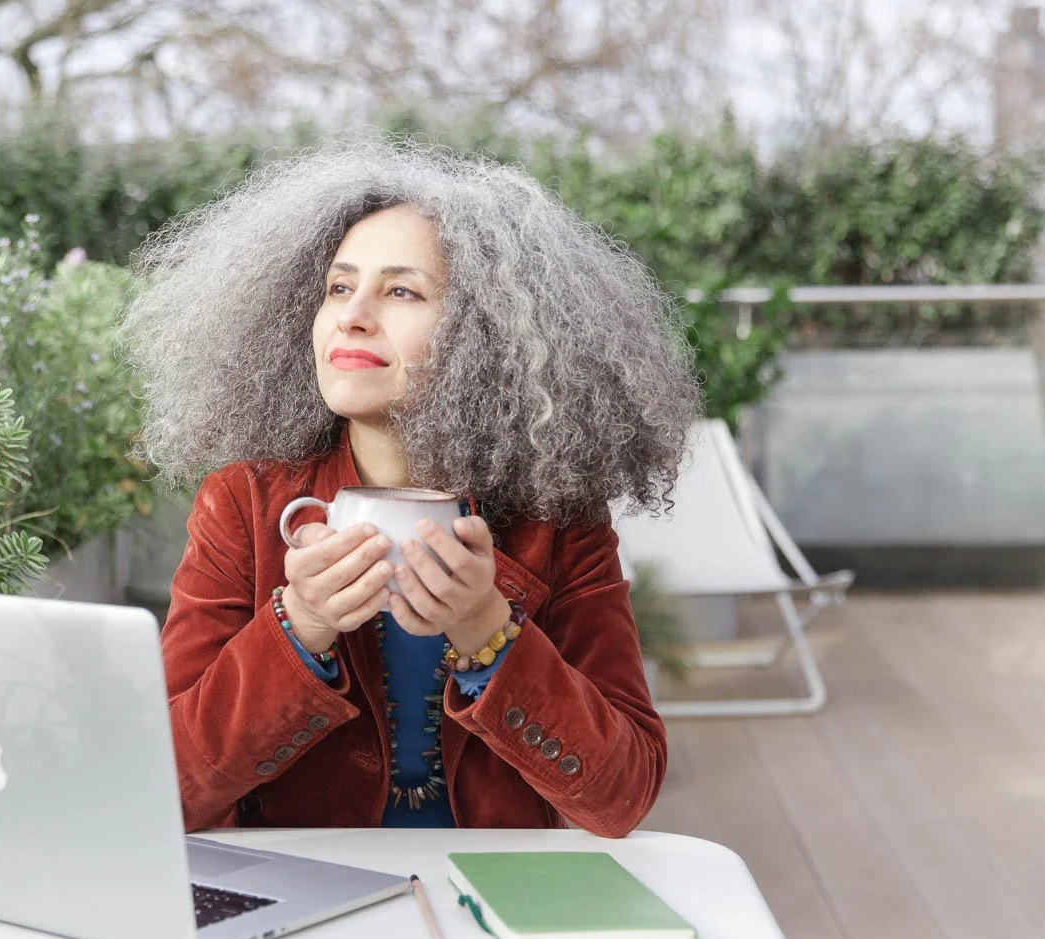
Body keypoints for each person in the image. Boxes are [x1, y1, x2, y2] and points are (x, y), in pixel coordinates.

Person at [121, 137, 700, 835]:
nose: (352, 315)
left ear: (483, 335)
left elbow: (621, 797)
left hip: (493, 898)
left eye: (402, 291)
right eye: (339, 286)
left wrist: (488, 629)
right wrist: (299, 625)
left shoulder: (558, 522)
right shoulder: (242, 504)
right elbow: (165, 789)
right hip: (310, 895)